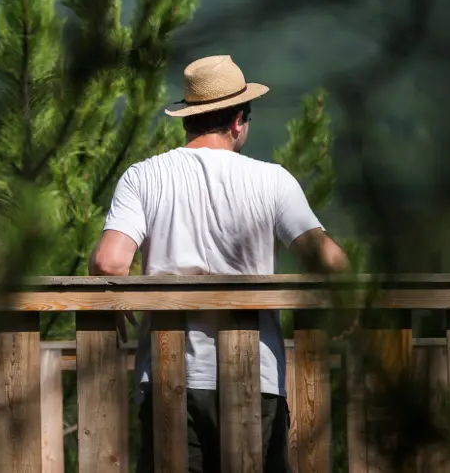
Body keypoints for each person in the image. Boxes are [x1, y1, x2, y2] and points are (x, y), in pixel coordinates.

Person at [88, 54, 351, 473]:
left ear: (187, 118)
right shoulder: (273, 181)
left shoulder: (143, 177)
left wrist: (114, 305)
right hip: (255, 374)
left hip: (170, 376)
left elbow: (109, 263)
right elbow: (332, 265)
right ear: (237, 121)